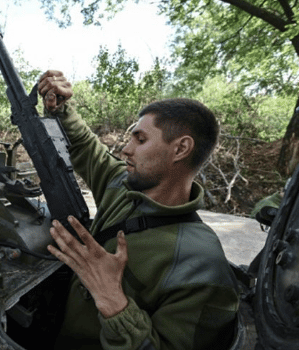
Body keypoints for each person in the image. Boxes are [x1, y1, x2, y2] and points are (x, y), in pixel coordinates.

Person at [37, 70, 239, 350]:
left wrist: (113, 301)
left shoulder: (203, 266)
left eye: (140, 140)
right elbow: (85, 145)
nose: (126, 150)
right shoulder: (121, 183)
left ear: (180, 149)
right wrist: (62, 106)